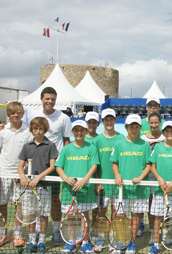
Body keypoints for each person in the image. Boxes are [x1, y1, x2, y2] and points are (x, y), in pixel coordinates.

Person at [23, 87, 71, 244]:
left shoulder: (63, 118)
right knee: (34, 200)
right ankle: (36, 231)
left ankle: (56, 230)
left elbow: (66, 142)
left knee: (54, 199)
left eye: (52, 99)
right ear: (41, 99)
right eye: (47, 98)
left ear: (55, 100)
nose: (49, 101)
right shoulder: (31, 114)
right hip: (34, 167)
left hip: (54, 167)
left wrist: (62, 163)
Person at [0, 102, 33, 248]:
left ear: (22, 114)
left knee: (19, 205)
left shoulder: (28, 132)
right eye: (12, 113)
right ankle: (2, 233)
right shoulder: (1, 132)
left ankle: (17, 233)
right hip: (3, 174)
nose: (15, 115)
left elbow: (29, 155)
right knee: (2, 204)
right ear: (8, 114)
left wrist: (21, 172)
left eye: (18, 112)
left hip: (19, 176)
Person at [55, 120, 100, 254]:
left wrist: (84, 181)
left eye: (82, 130)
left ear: (86, 131)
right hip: (69, 191)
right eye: (76, 130)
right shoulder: (66, 148)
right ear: (72, 132)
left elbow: (94, 166)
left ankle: (85, 243)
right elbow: (58, 166)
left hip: (85, 190)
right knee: (70, 218)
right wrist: (65, 178)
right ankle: (71, 243)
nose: (79, 133)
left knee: (84, 217)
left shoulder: (91, 147)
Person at [111, 114, 152, 254]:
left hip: (139, 189)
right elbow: (114, 163)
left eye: (136, 127)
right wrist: (117, 175)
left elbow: (148, 165)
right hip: (122, 189)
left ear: (140, 127)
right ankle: (122, 241)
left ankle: (131, 243)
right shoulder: (119, 144)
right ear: (126, 127)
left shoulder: (144, 145)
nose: (134, 129)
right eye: (131, 127)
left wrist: (140, 177)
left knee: (136, 216)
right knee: (120, 216)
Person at [17, 117, 58, 252]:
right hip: (29, 188)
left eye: (40, 129)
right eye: (35, 129)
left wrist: (38, 178)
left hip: (44, 186)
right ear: (32, 130)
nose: (38, 131)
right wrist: (23, 176)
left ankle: (41, 241)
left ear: (45, 129)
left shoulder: (51, 145)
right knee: (31, 215)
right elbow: (20, 166)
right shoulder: (27, 146)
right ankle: (31, 240)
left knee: (43, 214)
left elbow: (52, 166)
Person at [148, 121, 172, 254]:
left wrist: (171, 184)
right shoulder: (158, 148)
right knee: (158, 218)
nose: (169, 132)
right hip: (160, 191)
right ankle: (156, 245)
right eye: (167, 130)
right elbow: (152, 166)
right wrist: (159, 179)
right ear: (163, 133)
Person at [92, 108, 125, 252]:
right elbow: (95, 164)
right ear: (102, 121)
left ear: (115, 120)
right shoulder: (97, 140)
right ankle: (100, 238)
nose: (109, 122)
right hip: (102, 185)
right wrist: (98, 182)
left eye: (111, 119)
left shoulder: (122, 138)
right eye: (106, 119)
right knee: (101, 212)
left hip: (118, 184)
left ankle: (113, 237)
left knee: (116, 212)